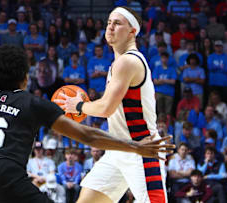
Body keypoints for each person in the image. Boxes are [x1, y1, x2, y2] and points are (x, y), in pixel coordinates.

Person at [0, 45, 174, 203]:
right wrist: (134, 147)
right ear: (24, 77)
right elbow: (88, 135)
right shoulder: (32, 103)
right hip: (6, 174)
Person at [56, 7, 169, 202]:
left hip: (141, 149)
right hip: (118, 148)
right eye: (109, 22)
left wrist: (80, 106)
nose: (110, 27)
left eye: (117, 23)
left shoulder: (128, 62)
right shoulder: (117, 64)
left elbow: (105, 107)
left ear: (132, 31)